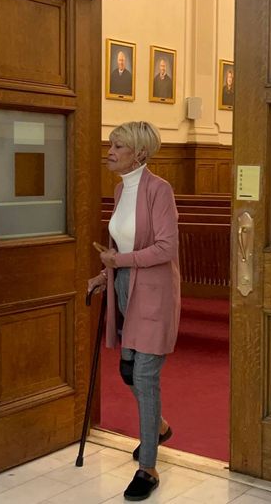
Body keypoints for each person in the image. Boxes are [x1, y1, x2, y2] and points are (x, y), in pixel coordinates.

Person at [88, 121, 180, 501]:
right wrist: (102, 274)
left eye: (118, 146)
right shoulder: (119, 188)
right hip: (125, 286)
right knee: (128, 370)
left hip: (155, 292)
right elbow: (122, 243)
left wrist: (118, 260)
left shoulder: (160, 191)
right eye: (111, 144)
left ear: (139, 153)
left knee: (144, 375)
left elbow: (165, 248)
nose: (109, 151)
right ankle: (155, 426)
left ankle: (148, 467)